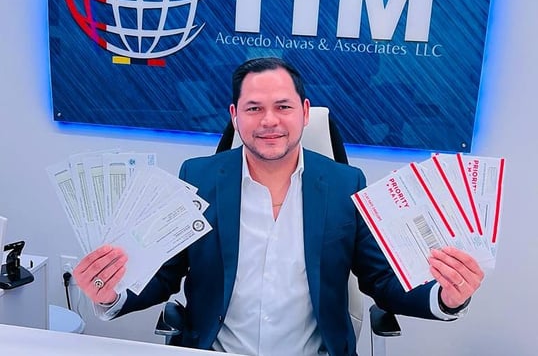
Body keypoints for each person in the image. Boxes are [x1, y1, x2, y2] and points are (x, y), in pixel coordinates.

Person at [74, 57, 484, 356]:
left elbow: (381, 281)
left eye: (283, 107)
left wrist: (446, 297)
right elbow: (164, 273)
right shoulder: (197, 177)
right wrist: (111, 294)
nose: (269, 120)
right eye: (254, 108)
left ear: (304, 113)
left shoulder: (345, 184)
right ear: (235, 116)